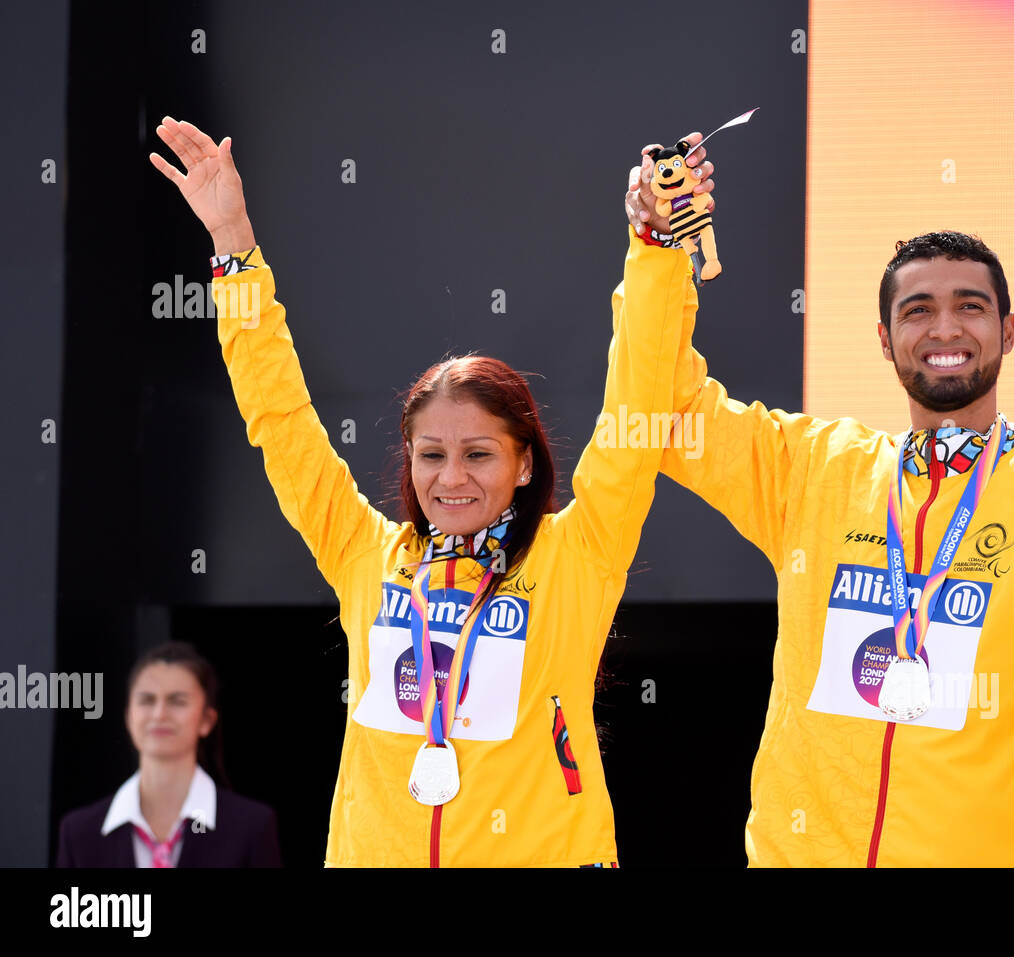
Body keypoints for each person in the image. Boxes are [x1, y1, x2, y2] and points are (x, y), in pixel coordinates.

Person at [147, 117, 715, 866]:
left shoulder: (579, 553)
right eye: (432, 454)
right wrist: (233, 244)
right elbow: (278, 418)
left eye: (479, 453)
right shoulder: (366, 555)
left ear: (522, 463)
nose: (451, 477)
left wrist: (654, 251)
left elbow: (638, 403)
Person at [623, 158, 1014, 867]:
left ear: (1008, 330)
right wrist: (655, 251)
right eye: (917, 310)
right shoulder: (818, 470)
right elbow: (669, 411)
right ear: (886, 339)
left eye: (970, 306)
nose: (943, 328)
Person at [56, 641, 281, 867]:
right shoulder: (79, 833)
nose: (159, 714)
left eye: (177, 701)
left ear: (206, 720)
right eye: (147, 700)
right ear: (128, 717)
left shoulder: (251, 827)